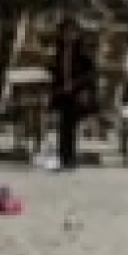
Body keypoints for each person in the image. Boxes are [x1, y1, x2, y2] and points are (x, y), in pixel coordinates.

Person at [51, 18, 94, 172]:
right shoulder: (59, 50)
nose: (68, 35)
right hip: (62, 92)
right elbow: (55, 70)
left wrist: (77, 85)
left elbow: (90, 73)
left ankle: (70, 158)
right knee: (62, 126)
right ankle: (62, 157)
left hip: (77, 92)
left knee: (71, 126)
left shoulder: (83, 51)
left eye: (71, 32)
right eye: (65, 32)